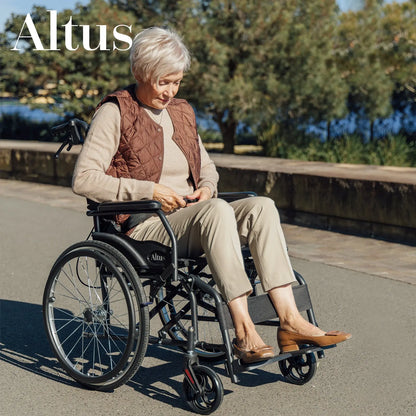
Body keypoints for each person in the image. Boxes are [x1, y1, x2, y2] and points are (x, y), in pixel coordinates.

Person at [72, 27, 351, 364]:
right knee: (217, 211)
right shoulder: (115, 112)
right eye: (163, 82)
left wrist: (206, 187)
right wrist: (151, 190)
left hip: (195, 216)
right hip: (146, 225)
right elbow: (84, 179)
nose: (170, 91)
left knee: (261, 206)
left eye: (176, 82)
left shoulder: (182, 112)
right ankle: (244, 330)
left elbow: (207, 167)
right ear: (140, 72)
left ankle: (290, 320)